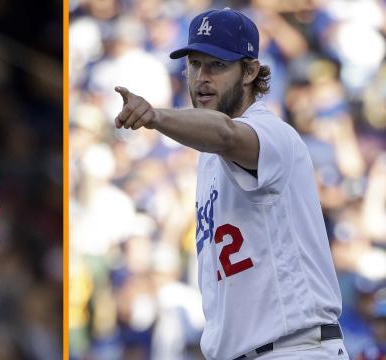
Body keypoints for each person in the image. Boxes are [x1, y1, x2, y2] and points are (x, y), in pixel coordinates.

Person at [114, 8, 348, 360]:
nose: (202, 77)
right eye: (194, 64)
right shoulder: (207, 160)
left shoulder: (271, 132)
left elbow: (225, 134)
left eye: (217, 65)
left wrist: (157, 116)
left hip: (294, 349)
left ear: (250, 71)